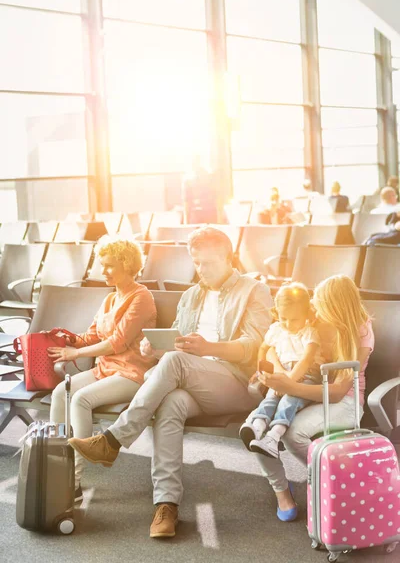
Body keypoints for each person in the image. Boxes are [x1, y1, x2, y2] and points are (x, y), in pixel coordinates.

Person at [67, 227, 273, 538]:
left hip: (235, 382)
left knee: (175, 364)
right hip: (192, 379)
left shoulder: (254, 290)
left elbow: (253, 347)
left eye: (208, 263)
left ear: (228, 258)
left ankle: (112, 440)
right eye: (197, 263)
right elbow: (176, 344)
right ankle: (166, 505)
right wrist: (155, 350)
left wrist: (209, 349)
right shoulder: (191, 295)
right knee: (171, 404)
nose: (201, 270)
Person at [252, 275, 374, 522]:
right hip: (307, 388)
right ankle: (282, 492)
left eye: (320, 304)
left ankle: (335, 481)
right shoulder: (315, 322)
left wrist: (290, 386)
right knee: (257, 430)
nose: (314, 309)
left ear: (335, 307)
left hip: (345, 401)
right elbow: (276, 343)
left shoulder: (361, 331)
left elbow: (339, 391)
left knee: (290, 431)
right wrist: (283, 376)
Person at [48, 236, 157, 501]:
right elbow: (92, 335)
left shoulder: (141, 297)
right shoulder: (110, 299)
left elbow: (117, 343)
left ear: (126, 264)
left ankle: (73, 481)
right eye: (102, 265)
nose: (102, 271)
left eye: (108, 266)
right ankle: (55, 467)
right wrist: (69, 339)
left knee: (81, 399)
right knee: (60, 392)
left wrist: (76, 353)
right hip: (105, 370)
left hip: (131, 374)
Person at [239, 283, 323, 460]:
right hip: (282, 373)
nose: (288, 324)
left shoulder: (310, 332)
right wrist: (261, 370)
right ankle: (258, 426)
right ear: (277, 313)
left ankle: (274, 436)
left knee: (288, 400)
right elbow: (263, 348)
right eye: (283, 318)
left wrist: (290, 383)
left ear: (307, 314)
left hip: (305, 375)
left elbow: (307, 360)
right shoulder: (276, 329)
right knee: (270, 398)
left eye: (294, 319)